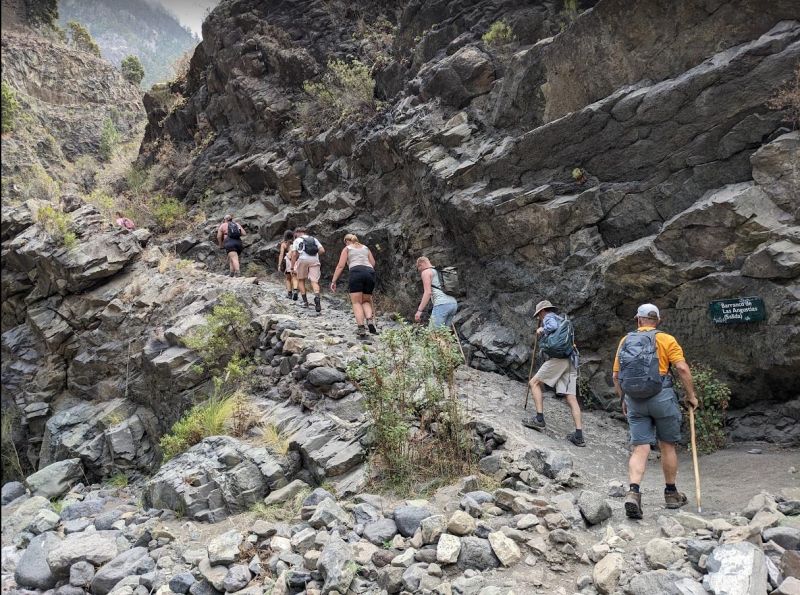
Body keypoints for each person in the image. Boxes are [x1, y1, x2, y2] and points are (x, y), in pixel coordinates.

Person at [613, 303, 699, 519]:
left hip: (634, 399)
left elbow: (616, 375)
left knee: (640, 447)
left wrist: (623, 398)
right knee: (667, 445)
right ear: (657, 320)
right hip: (662, 396)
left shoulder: (626, 340)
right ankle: (671, 494)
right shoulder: (666, 339)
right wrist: (691, 396)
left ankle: (633, 492)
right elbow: (681, 368)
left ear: (638, 320)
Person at [521, 300, 585, 447]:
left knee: (534, 383)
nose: (539, 318)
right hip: (571, 359)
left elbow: (551, 326)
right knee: (571, 397)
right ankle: (579, 436)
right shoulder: (563, 319)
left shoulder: (549, 318)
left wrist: (541, 330)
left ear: (542, 312)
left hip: (559, 360)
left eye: (538, 315)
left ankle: (539, 419)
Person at [330, 233, 378, 338]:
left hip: (356, 272)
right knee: (366, 300)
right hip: (370, 272)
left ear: (347, 241)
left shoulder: (347, 249)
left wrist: (333, 281)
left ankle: (361, 328)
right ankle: (370, 321)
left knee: (356, 302)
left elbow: (340, 266)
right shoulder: (365, 248)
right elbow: (373, 263)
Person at [415, 257, 458, 327]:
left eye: (418, 268)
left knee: (433, 335)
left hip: (442, 304)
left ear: (422, 263)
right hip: (453, 304)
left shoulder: (426, 272)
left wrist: (419, 311)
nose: (419, 270)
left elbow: (428, 292)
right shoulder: (439, 271)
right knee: (444, 335)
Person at [290, 227, 325, 311]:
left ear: (297, 233)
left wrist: (292, 267)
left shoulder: (297, 240)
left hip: (303, 260)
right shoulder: (314, 239)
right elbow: (322, 250)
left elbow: (294, 254)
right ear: (305, 232)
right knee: (314, 281)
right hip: (314, 260)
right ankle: (317, 297)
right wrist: (315, 255)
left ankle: (305, 302)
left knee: (301, 279)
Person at [277, 230, 296, 298]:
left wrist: (279, 265)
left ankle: (290, 293)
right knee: (294, 277)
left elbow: (281, 255)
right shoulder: (295, 243)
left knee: (288, 278)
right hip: (295, 262)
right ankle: (295, 291)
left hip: (287, 262)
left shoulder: (284, 244)